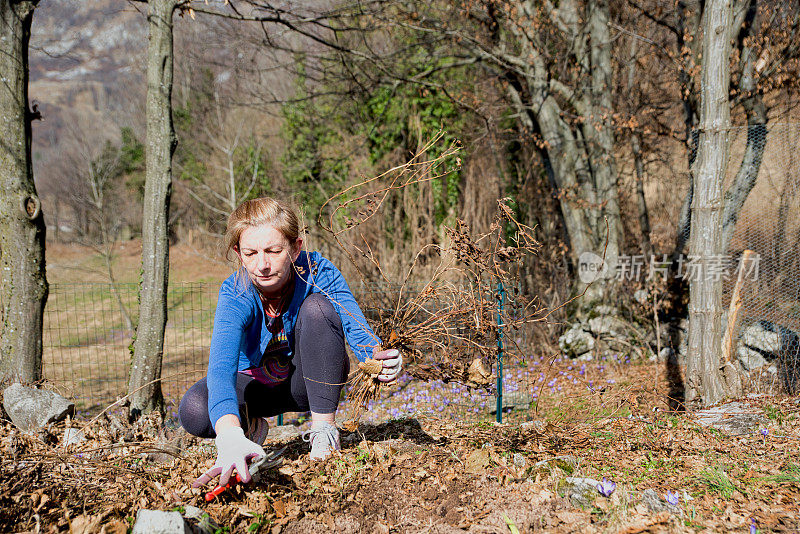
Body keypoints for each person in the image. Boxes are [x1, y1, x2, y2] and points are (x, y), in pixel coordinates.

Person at [179, 197, 402, 489]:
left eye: (273, 251)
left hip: (307, 383)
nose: (262, 265)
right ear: (238, 253)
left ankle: (323, 431)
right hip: (254, 390)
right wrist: (229, 434)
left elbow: (355, 326)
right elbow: (220, 370)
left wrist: (378, 357)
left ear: (295, 248)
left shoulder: (317, 271)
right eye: (250, 253)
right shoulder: (235, 292)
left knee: (318, 308)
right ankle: (249, 426)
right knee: (195, 409)